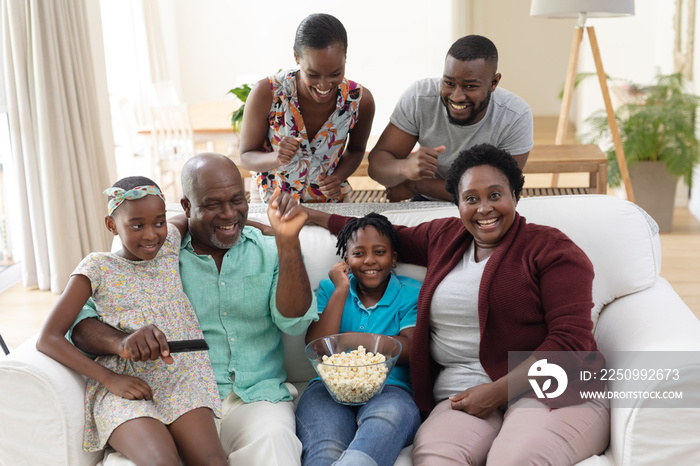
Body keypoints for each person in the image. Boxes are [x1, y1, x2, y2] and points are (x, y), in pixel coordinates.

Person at [306, 144, 610, 465]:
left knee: (515, 458)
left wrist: (496, 392)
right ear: (457, 203)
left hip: (552, 389)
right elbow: (383, 237)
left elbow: (570, 342)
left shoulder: (552, 250)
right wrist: (310, 215)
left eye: (495, 195)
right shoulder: (446, 237)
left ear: (515, 195)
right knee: (435, 457)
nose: (484, 209)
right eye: (471, 199)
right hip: (464, 392)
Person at [71, 153, 318, 466]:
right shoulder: (156, 253)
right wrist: (119, 342)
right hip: (174, 398)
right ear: (186, 206)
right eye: (213, 204)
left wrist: (287, 241)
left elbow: (295, 323)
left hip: (256, 398)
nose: (229, 213)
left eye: (237, 200)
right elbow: (80, 324)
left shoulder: (272, 248)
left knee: (275, 448)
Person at [36, 176, 227, 465]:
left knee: (213, 462)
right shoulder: (97, 267)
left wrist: (261, 226)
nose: (151, 235)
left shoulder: (169, 245)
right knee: (163, 462)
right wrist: (110, 379)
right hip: (123, 384)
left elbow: (195, 219)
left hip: (179, 379)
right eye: (137, 225)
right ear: (112, 225)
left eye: (158, 222)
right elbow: (47, 338)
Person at [295, 213, 421, 466]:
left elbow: (410, 349)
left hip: (392, 390)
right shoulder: (331, 289)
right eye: (359, 253)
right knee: (325, 447)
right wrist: (341, 289)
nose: (370, 260)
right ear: (346, 261)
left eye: (380, 252)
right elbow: (318, 347)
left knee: (384, 424)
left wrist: (350, 340)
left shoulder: (410, 293)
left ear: (393, 259)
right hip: (327, 388)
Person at [367, 35, 533, 202]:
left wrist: (416, 185)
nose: (457, 96)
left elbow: (498, 190)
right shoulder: (419, 98)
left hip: (485, 207)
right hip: (430, 200)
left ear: (494, 82)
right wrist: (404, 168)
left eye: (470, 86)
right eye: (449, 83)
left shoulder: (515, 115)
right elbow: (376, 166)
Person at [239, 13, 375, 203]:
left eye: (335, 73)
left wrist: (337, 177)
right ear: (296, 57)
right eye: (313, 74)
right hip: (271, 200)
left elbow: (356, 151)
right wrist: (276, 157)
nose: (324, 85)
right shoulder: (267, 92)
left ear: (345, 57)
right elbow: (245, 156)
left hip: (329, 203)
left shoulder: (359, 100)